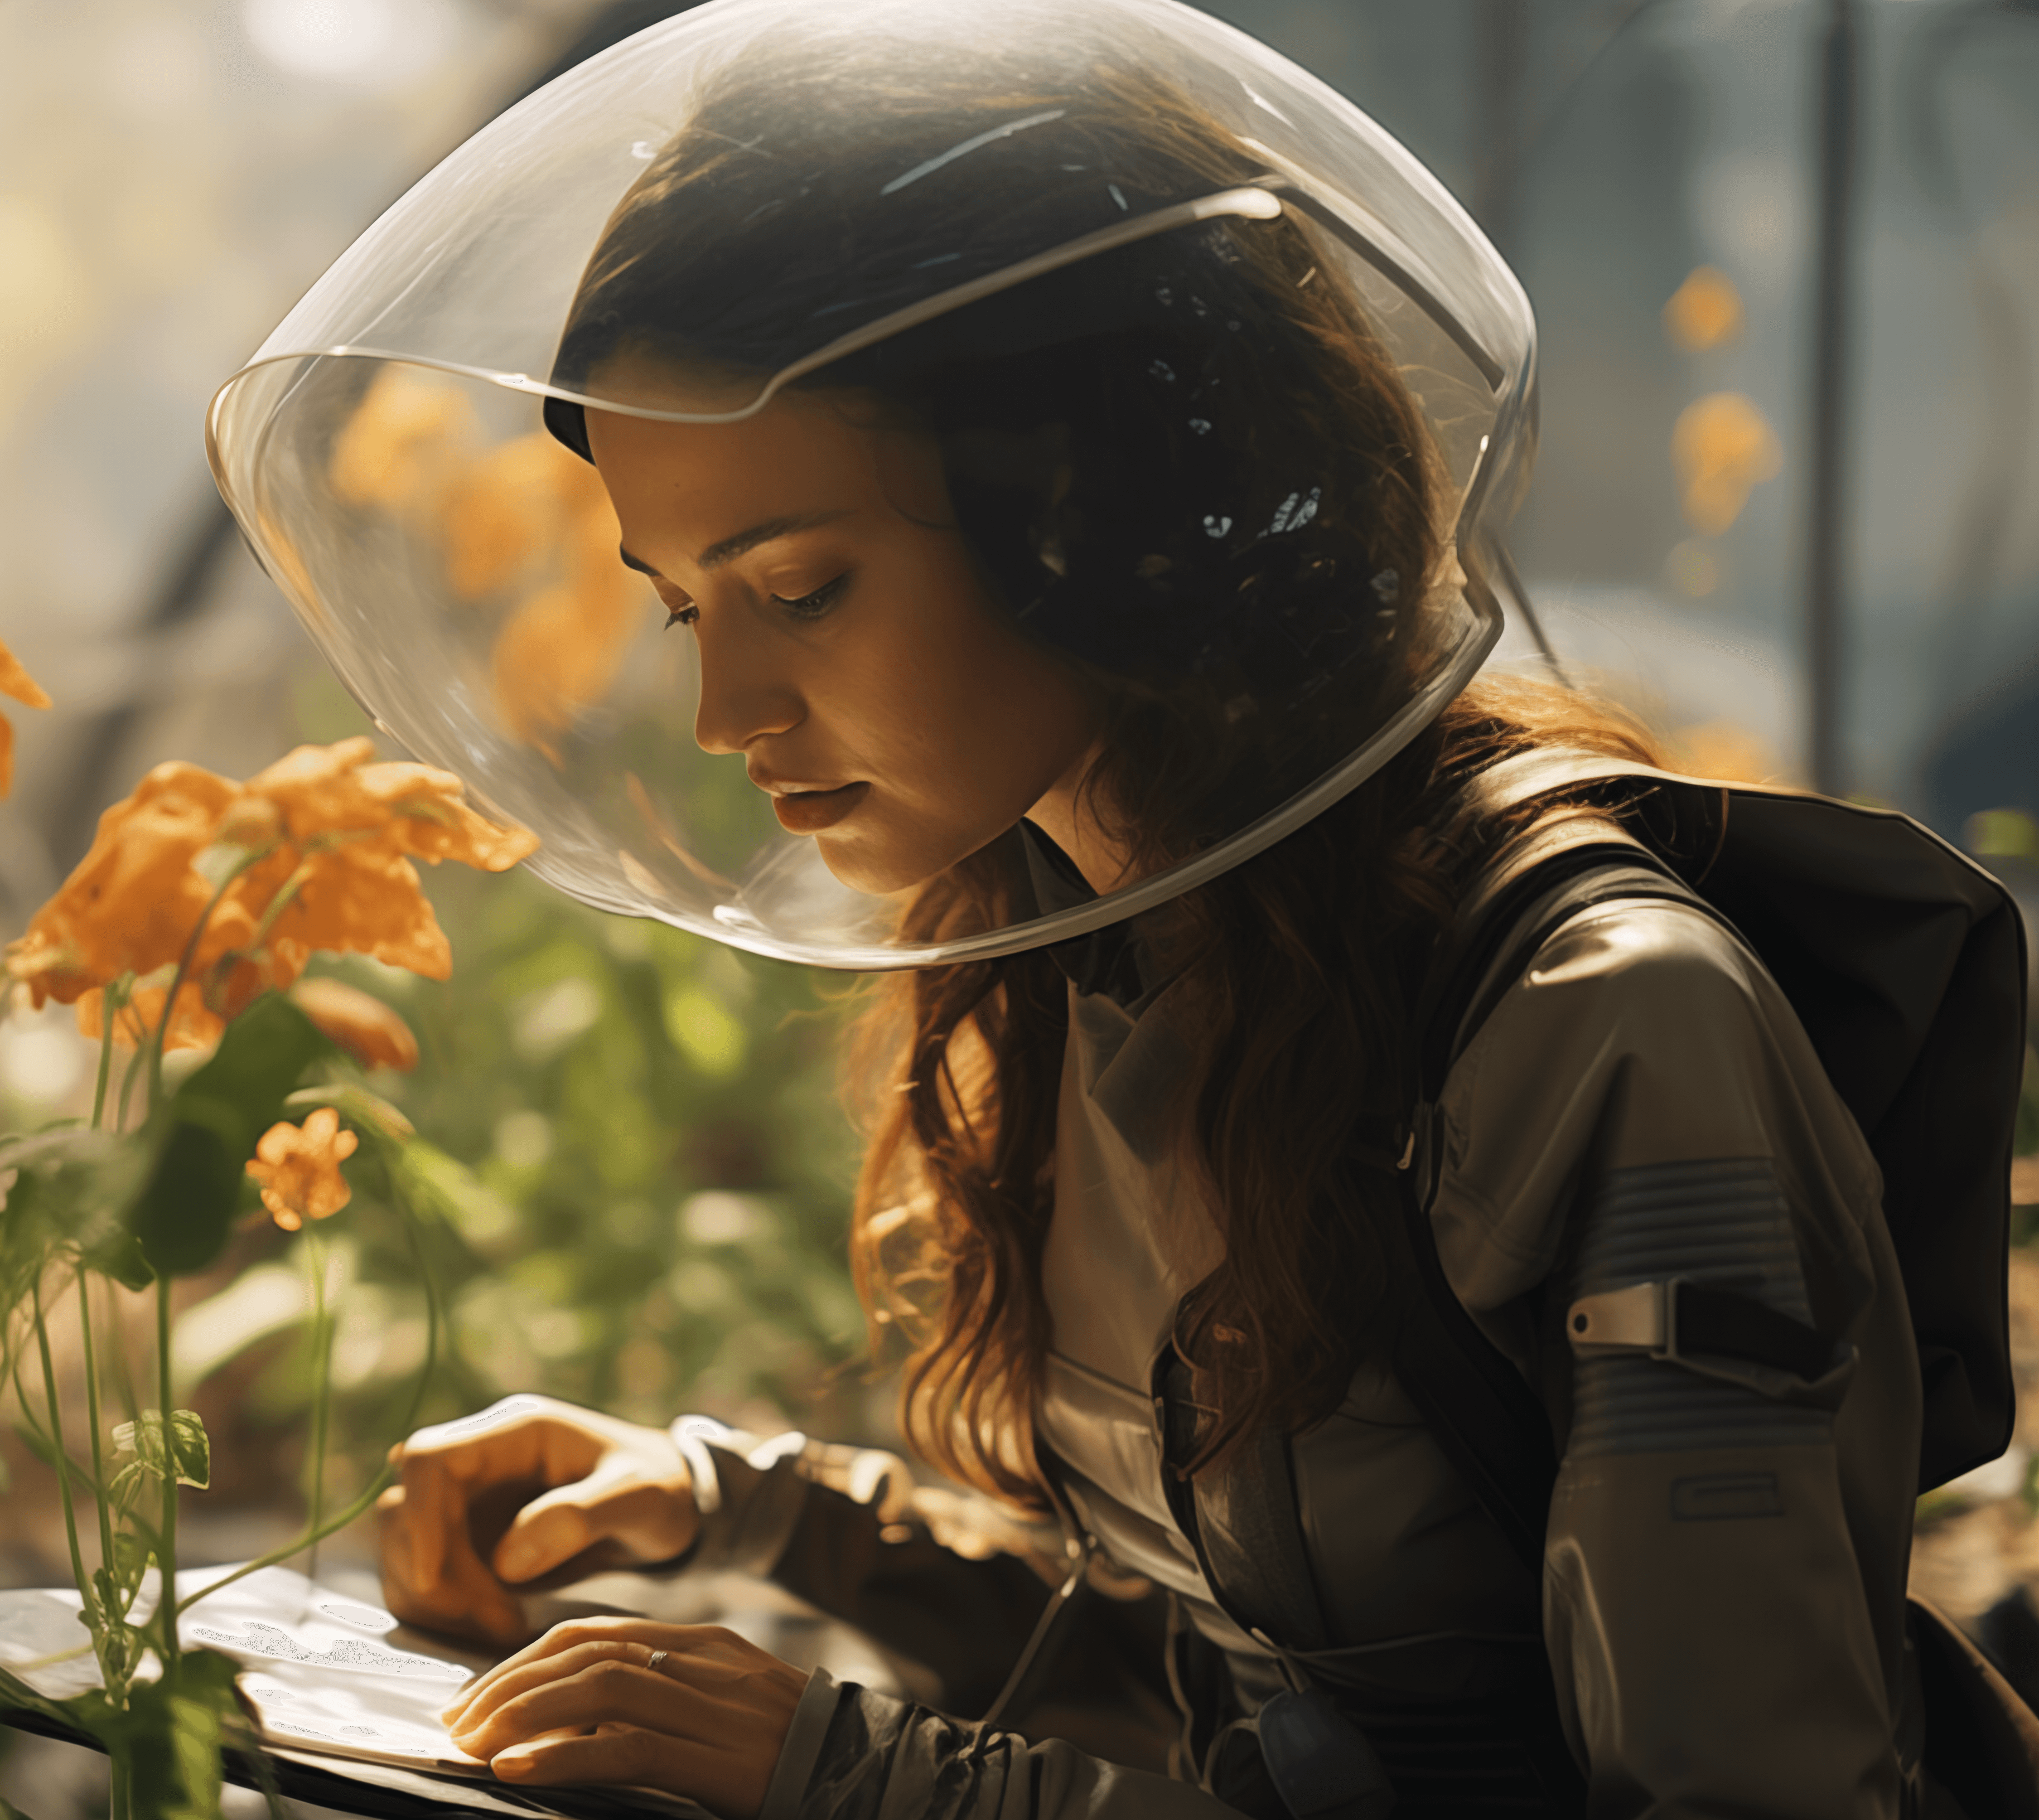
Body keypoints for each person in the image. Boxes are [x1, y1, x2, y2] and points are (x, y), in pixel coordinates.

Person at [204, 2, 2027, 1814]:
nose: (726, 716)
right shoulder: (1097, 949)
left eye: (807, 589)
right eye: (691, 606)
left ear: (1107, 513)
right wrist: (750, 1511)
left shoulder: (1602, 1022)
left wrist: (871, 1785)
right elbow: (1264, 1676)